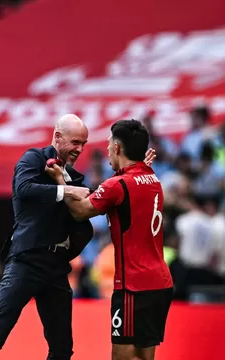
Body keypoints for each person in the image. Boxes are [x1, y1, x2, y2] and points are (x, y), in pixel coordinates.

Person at [44, 119, 173, 360]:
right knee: (145, 358)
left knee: (122, 358)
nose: (106, 149)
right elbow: (133, 186)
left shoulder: (118, 185)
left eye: (108, 144)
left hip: (133, 286)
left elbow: (80, 210)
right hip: (159, 283)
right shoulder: (152, 179)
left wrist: (61, 181)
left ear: (117, 148)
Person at [0, 114, 92, 360]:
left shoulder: (74, 178)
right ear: (58, 137)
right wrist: (66, 190)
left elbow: (82, 221)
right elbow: (24, 190)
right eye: (75, 142)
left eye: (84, 144)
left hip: (56, 267)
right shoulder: (33, 158)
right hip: (27, 261)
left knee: (62, 349)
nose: (80, 149)